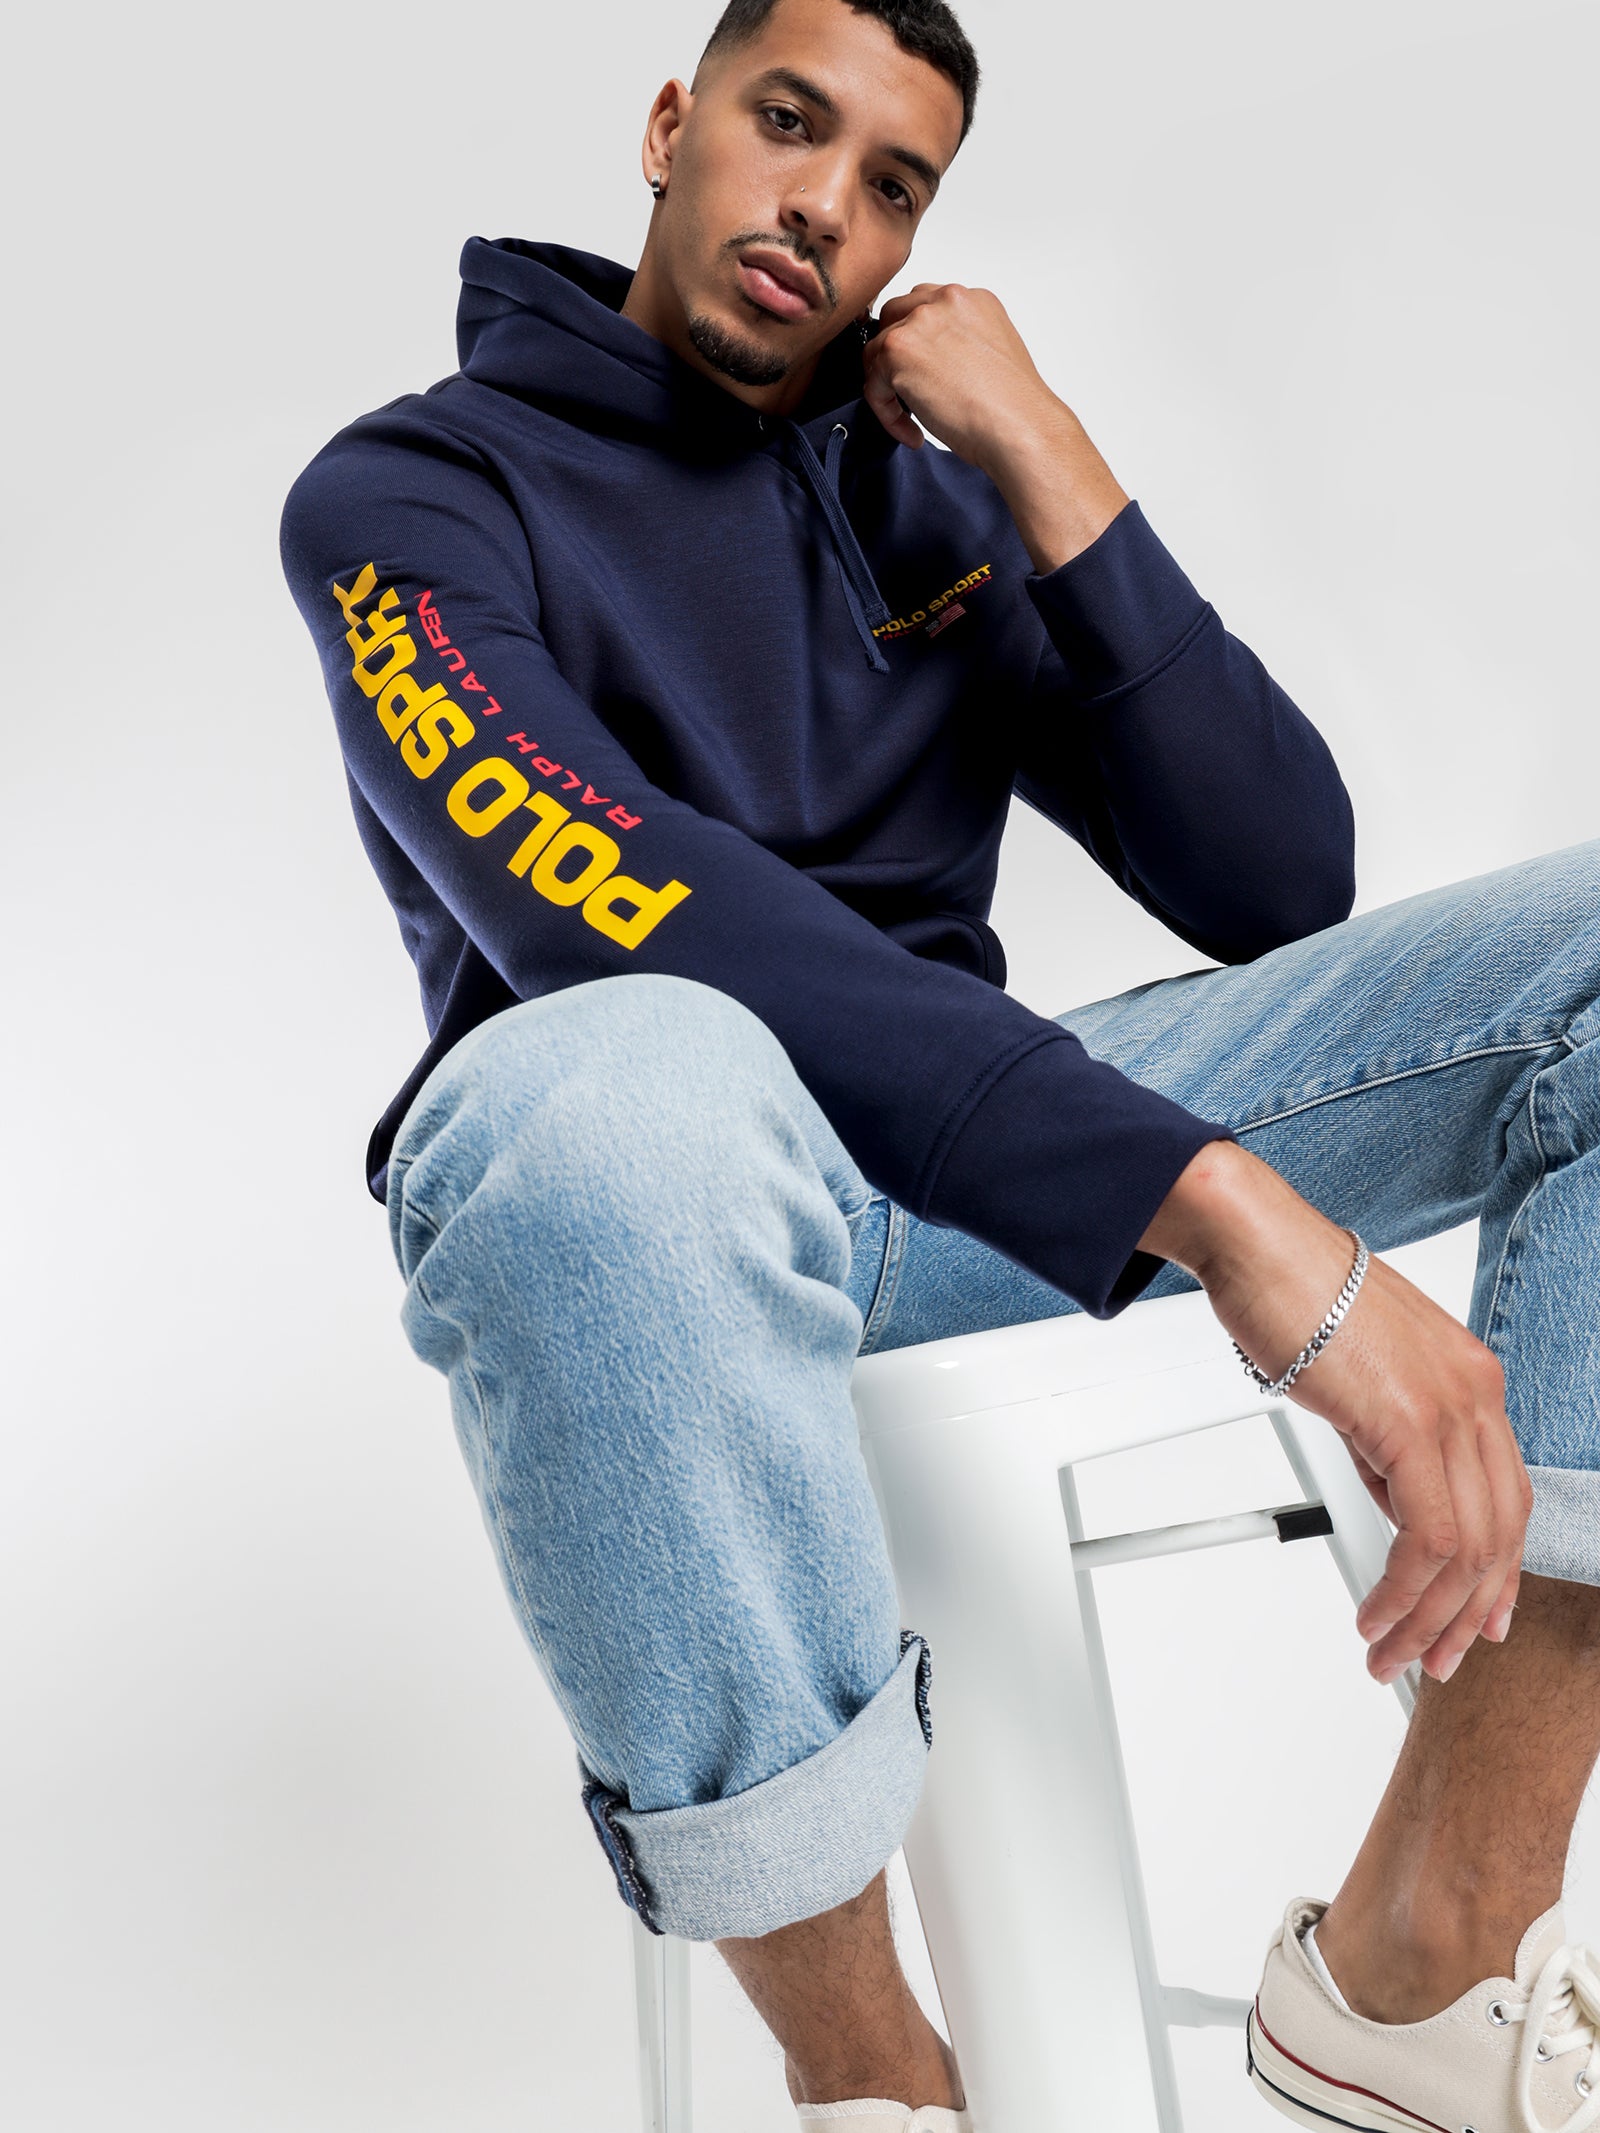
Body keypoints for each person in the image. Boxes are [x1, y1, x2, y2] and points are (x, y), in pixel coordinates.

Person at [278, 0, 1600, 2125]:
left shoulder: (920, 502)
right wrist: (1215, 1205)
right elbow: (622, 894)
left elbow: (1276, 880)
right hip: (659, 1196)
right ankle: (881, 2083)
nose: (822, 204)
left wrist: (1049, 460)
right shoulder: (409, 497)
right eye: (785, 124)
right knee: (601, 1095)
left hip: (974, 1182)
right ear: (670, 124)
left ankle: (1435, 1948)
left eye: (891, 182)